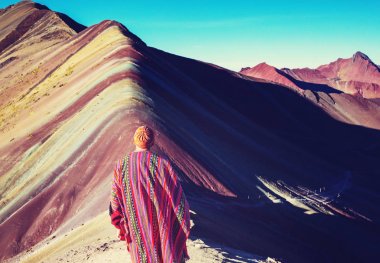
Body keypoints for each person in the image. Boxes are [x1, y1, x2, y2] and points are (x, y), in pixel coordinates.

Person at [109, 125, 191, 263]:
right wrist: (182, 220)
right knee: (165, 250)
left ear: (134, 141)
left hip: (136, 225)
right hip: (162, 224)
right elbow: (178, 200)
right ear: (152, 142)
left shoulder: (121, 165)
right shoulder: (162, 164)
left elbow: (115, 200)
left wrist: (120, 224)